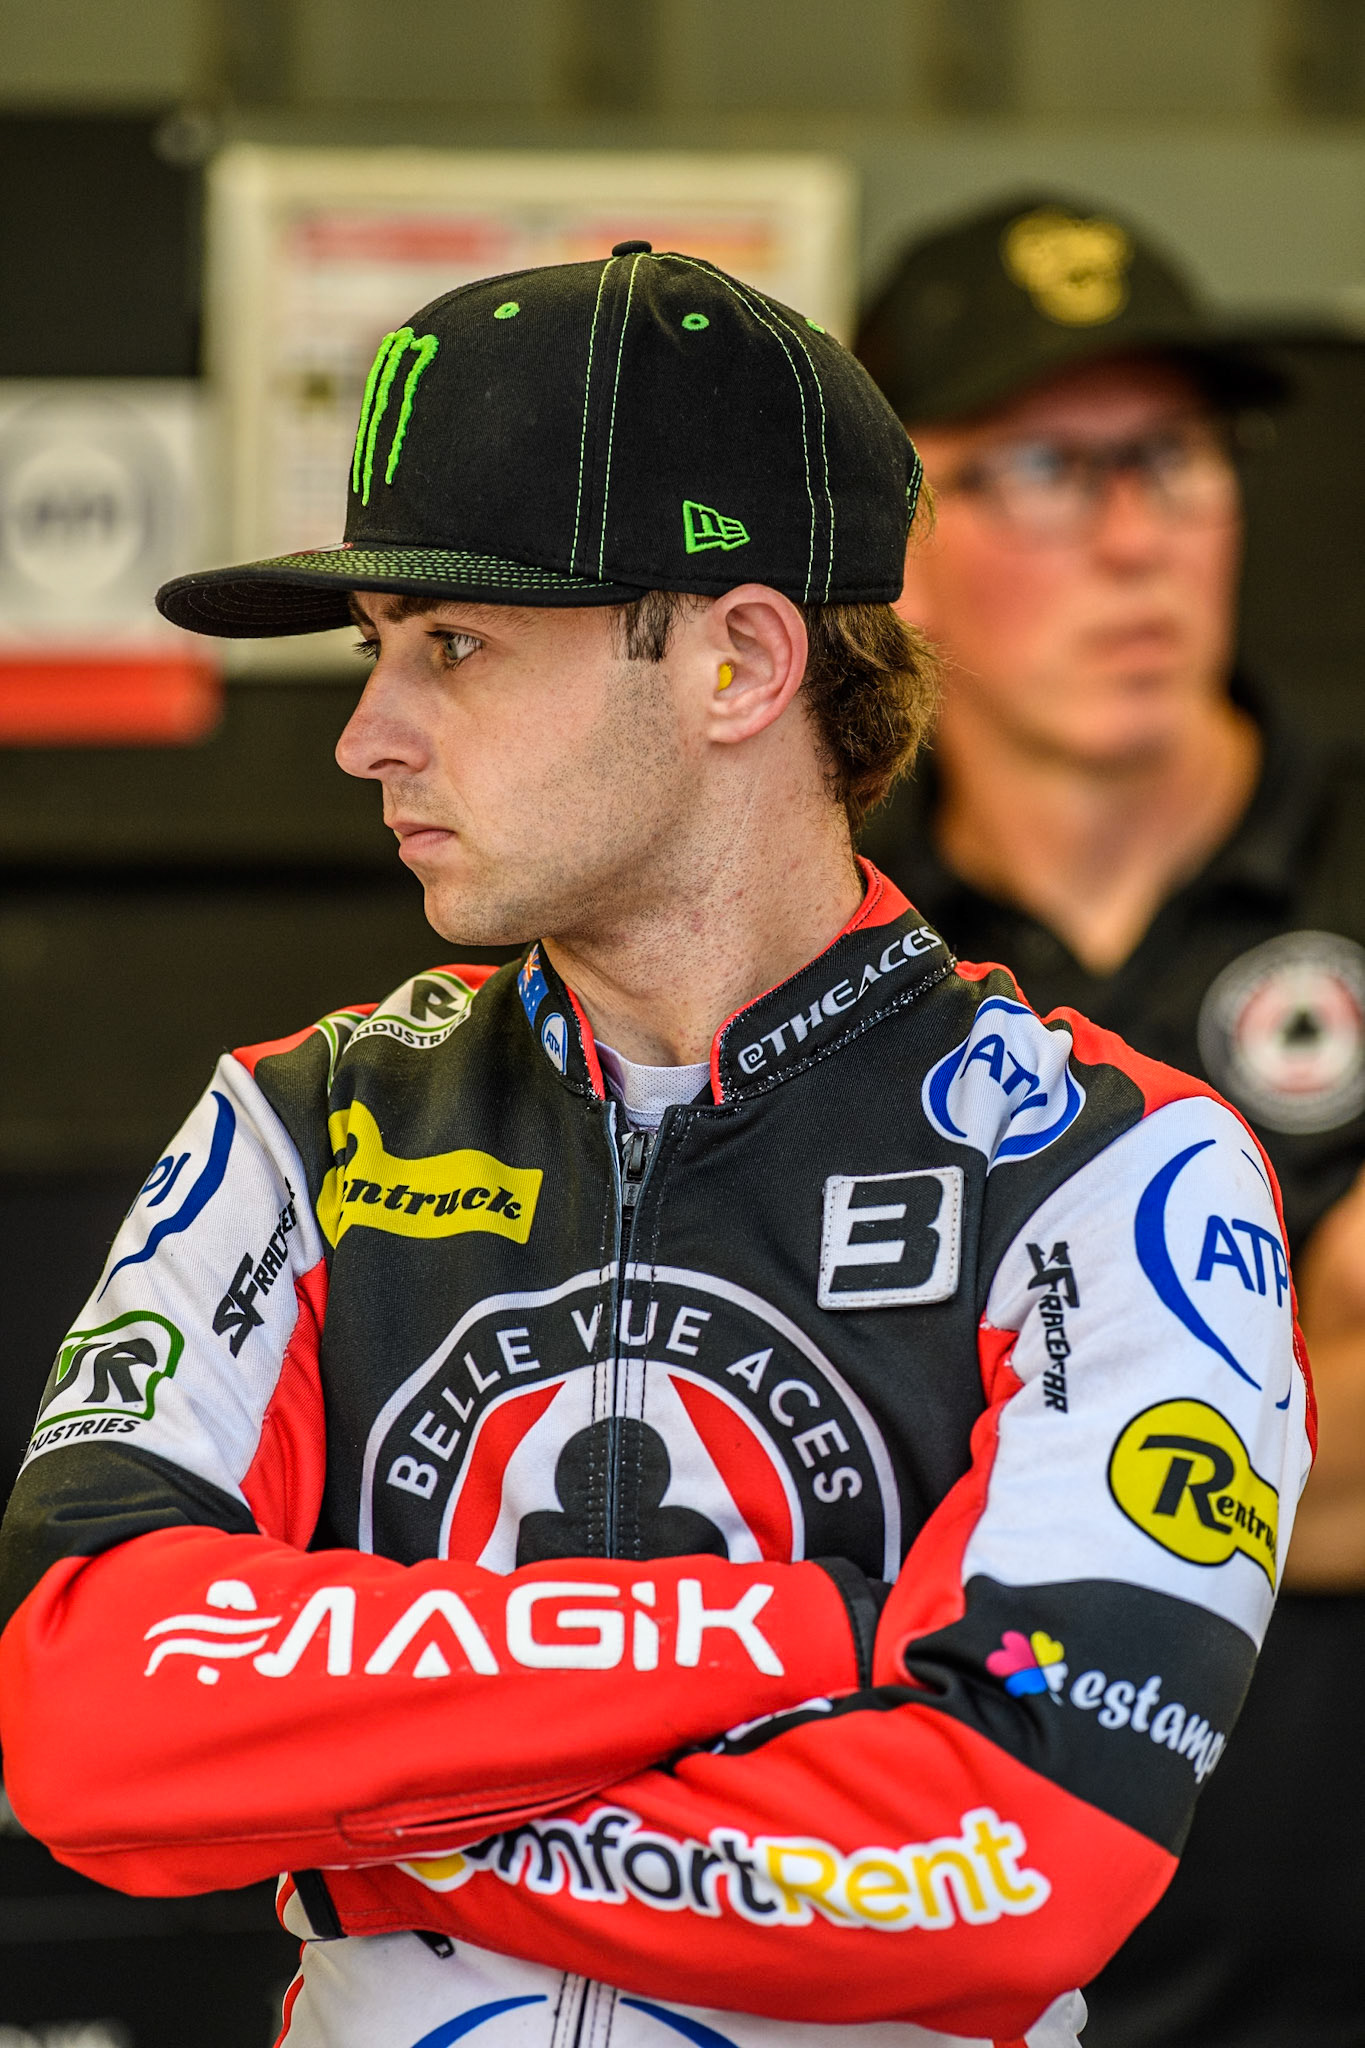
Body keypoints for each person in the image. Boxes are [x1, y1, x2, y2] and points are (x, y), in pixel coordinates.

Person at [0, 243, 1309, 2048]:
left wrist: (368, 1834)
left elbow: (1019, 1851)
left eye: (453, 646)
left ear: (737, 662)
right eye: (378, 653)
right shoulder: (297, 1126)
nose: (367, 738)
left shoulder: (1114, 1168)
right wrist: (816, 1639)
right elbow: (93, 1716)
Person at [856, 193, 1365, 2046]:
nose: (1136, 538)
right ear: (887, 542)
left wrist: (983, 1415)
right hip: (932, 1982)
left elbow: (869, 1470)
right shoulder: (804, 944)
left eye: (1171, 458)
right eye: (1048, 470)